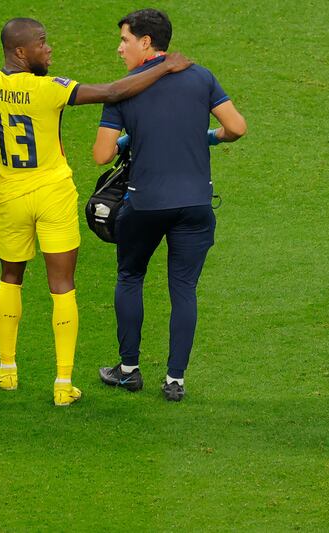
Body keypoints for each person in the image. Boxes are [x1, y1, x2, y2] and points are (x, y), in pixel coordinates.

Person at [0, 17, 191, 407]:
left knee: (10, 278)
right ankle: (63, 383)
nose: (49, 49)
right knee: (62, 285)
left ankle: (7, 370)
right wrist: (165, 67)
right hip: (53, 196)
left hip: (10, 198)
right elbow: (115, 91)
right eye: (42, 43)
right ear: (21, 51)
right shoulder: (49, 88)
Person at [93, 9, 246, 401]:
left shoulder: (123, 88)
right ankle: (175, 380)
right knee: (184, 289)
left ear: (147, 43)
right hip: (195, 205)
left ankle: (128, 371)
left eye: (125, 40)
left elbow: (101, 154)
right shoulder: (201, 77)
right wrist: (207, 136)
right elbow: (237, 128)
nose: (119, 48)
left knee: (130, 277)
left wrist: (128, 141)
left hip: (145, 205)